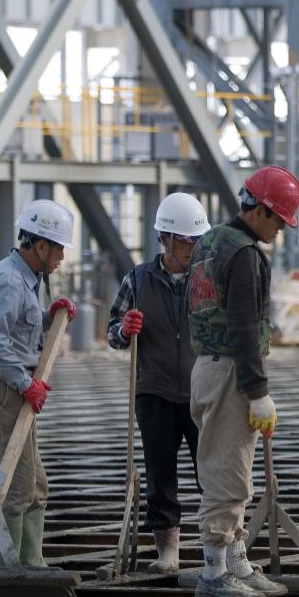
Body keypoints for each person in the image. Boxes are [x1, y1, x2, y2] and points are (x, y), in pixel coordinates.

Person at [188, 166, 299, 597]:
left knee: (230, 470)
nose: (279, 229)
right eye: (277, 220)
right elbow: (242, 325)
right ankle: (214, 574)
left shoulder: (210, 243)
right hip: (231, 373)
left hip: (206, 369)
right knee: (228, 478)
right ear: (259, 211)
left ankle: (236, 563)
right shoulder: (246, 255)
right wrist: (258, 392)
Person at [0, 199, 77, 569]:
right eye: (59, 247)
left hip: (11, 385)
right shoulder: (10, 281)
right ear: (41, 245)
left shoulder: (26, 281)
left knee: (34, 482)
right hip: (1, 386)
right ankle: (5, 570)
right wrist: (24, 383)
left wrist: (49, 318)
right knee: (14, 483)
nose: (62, 256)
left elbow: (15, 333)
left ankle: (30, 563)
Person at [107, 192, 211, 574]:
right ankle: (168, 554)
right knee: (160, 475)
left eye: (197, 240)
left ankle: (219, 548)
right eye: (186, 240)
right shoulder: (138, 280)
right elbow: (112, 333)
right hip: (154, 391)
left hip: (203, 390)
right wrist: (123, 329)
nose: (192, 248)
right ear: (165, 239)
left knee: (213, 473)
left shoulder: (208, 279)